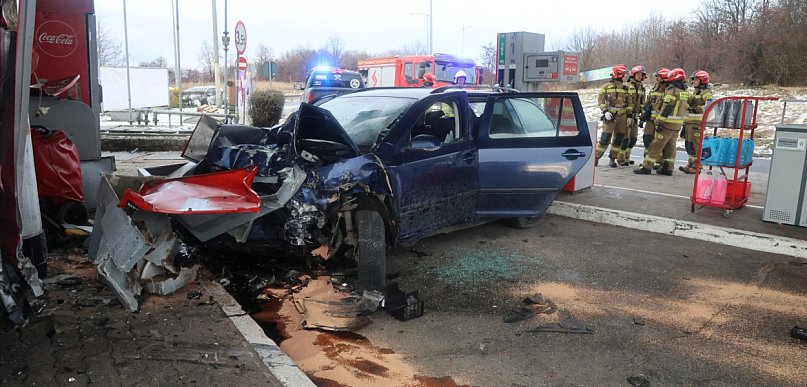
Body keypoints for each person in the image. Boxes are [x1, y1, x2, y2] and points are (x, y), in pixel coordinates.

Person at [635, 68, 689, 175]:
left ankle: (647, 166)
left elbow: (667, 107)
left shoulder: (671, 91)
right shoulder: (684, 91)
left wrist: (659, 121)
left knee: (656, 145)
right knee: (670, 146)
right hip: (677, 125)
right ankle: (668, 168)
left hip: (667, 124)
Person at [595, 64, 630, 167]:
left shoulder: (625, 88)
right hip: (610, 116)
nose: (624, 77)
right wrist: (605, 111)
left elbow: (629, 103)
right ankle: (596, 157)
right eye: (623, 74)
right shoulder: (606, 87)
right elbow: (601, 101)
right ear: (618, 74)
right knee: (605, 138)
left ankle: (612, 159)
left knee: (618, 138)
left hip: (622, 117)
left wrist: (629, 116)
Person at [680, 70, 714, 174]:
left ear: (702, 80)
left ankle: (696, 167)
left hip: (697, 123)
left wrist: (697, 109)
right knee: (689, 144)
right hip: (690, 122)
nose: (694, 81)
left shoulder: (706, 93)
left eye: (696, 79)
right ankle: (690, 164)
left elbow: (709, 106)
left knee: (695, 145)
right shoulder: (696, 92)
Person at [640, 68, 670, 170]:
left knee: (658, 142)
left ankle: (658, 162)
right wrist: (644, 112)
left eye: (658, 76)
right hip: (650, 120)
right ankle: (647, 161)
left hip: (661, 121)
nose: (656, 78)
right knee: (647, 139)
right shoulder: (655, 88)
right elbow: (648, 102)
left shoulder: (669, 90)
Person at [618, 65, 647, 166]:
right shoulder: (626, 86)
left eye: (641, 75)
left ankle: (627, 156)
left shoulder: (642, 88)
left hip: (635, 115)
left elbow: (643, 102)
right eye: (638, 74)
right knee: (625, 137)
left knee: (633, 138)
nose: (640, 76)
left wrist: (643, 114)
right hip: (626, 115)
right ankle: (620, 158)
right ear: (633, 75)